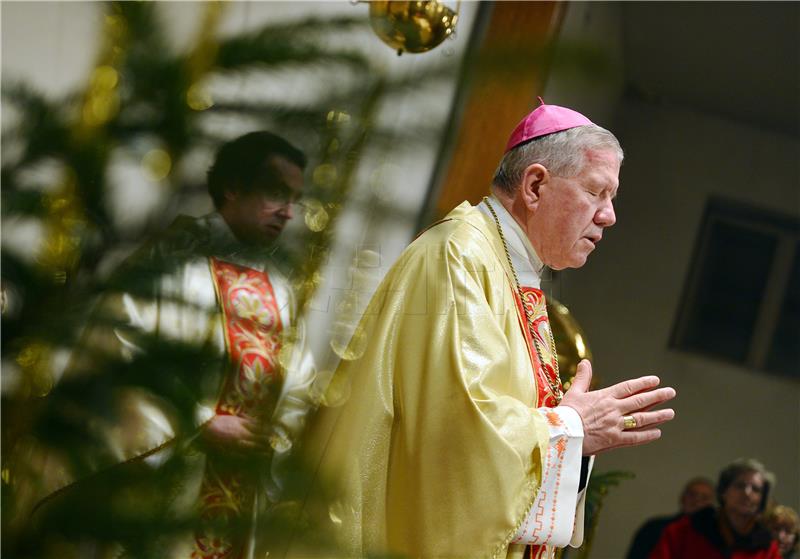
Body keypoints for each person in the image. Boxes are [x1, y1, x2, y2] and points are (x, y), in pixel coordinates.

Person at [287, 101, 676, 558]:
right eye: (597, 192)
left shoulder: (509, 267)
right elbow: (455, 431)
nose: (608, 215)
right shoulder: (460, 256)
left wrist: (571, 434)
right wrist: (572, 427)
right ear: (535, 185)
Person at [13, 131, 316, 558]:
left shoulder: (280, 291)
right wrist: (198, 422)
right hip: (156, 482)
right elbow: (114, 358)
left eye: (294, 199)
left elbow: (298, 381)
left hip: (232, 494)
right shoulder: (168, 264)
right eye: (274, 192)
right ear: (233, 187)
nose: (287, 212)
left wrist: (273, 432)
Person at [651, 458, 781, 559]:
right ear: (724, 492)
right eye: (740, 486)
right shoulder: (684, 531)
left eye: (756, 489)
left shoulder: (767, 545)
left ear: (762, 500)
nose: (747, 493)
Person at [626, 477, 715, 559]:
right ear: (682, 497)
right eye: (692, 495)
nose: (697, 501)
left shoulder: (717, 536)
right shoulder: (654, 528)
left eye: (704, 498)